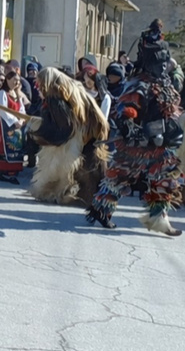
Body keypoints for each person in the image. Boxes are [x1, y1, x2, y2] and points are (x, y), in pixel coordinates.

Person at [88, 20, 184, 236]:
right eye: (159, 62)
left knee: (165, 180)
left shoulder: (164, 82)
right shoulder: (138, 84)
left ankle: (160, 220)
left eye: (165, 62)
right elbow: (124, 112)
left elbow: (177, 83)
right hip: (136, 146)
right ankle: (100, 211)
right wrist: (131, 126)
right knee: (117, 180)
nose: (163, 66)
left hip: (160, 145)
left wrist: (175, 69)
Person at [28, 68, 110, 206]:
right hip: (88, 131)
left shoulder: (56, 95)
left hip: (84, 132)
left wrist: (40, 129)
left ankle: (62, 193)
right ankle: (91, 196)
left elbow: (64, 127)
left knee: (66, 164)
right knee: (88, 165)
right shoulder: (68, 89)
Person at [0, 71, 29, 184]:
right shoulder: (2, 93)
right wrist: (14, 121)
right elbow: (2, 110)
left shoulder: (17, 95)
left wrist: (21, 120)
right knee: (3, 146)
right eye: (14, 80)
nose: (16, 83)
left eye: (18, 81)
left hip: (17, 126)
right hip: (5, 124)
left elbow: (22, 110)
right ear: (8, 80)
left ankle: (12, 172)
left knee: (15, 146)